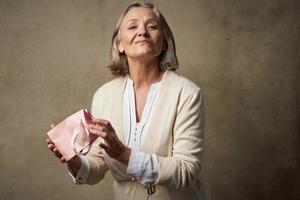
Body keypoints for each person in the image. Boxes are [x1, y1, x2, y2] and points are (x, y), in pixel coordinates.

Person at [47, 2, 207, 200]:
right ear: (120, 44)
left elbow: (187, 171)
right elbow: (97, 164)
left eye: (152, 26)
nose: (142, 32)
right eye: (133, 26)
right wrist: (73, 160)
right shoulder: (104, 95)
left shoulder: (187, 93)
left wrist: (124, 154)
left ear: (164, 42)